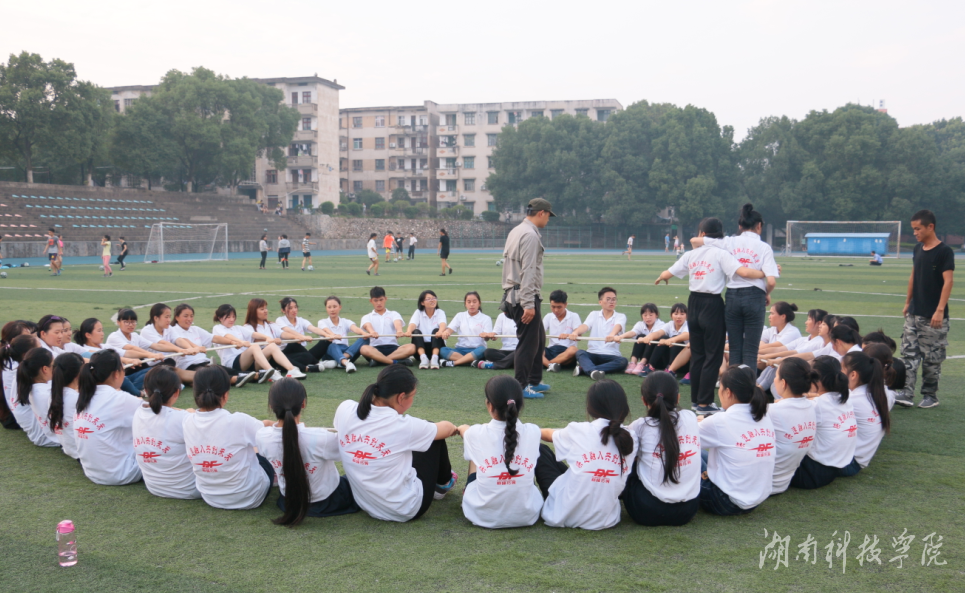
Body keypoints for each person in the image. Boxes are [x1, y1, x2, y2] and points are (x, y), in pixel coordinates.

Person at [656, 217, 766, 414]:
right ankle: (705, 403)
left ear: (702, 234)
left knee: (697, 355)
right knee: (713, 356)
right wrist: (764, 273)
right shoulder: (721, 254)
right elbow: (743, 272)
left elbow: (668, 273)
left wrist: (662, 278)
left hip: (693, 303)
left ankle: (696, 400)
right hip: (712, 304)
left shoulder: (691, 254)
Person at [334, 366, 459, 522]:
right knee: (433, 435)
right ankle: (443, 484)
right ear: (401, 398)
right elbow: (446, 428)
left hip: (366, 504)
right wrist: (458, 429)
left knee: (421, 436)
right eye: (413, 395)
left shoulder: (345, 408)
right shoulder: (402, 426)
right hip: (407, 507)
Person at [257, 378, 360, 526]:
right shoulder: (321, 438)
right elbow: (348, 452)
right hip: (327, 502)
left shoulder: (262, 437)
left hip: (288, 501)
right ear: (303, 404)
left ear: (271, 406)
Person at [536, 380, 637, 530]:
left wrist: (529, 430)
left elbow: (548, 434)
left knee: (541, 450)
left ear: (590, 407)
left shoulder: (578, 430)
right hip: (606, 520)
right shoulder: (631, 437)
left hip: (563, 514)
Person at [691, 203, 779, 367]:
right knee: (751, 351)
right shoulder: (764, 247)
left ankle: (732, 382)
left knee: (735, 349)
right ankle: (748, 383)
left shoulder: (729, 242)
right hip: (755, 296)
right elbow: (772, 281)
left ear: (740, 226)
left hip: (732, 296)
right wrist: (766, 293)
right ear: (759, 226)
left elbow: (696, 241)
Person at [455, 375, 543, 529]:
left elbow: (467, 432)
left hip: (482, 515)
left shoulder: (475, 433)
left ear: (489, 405)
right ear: (520, 405)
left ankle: (467, 493)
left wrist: (462, 428)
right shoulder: (533, 431)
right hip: (527, 515)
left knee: (476, 452)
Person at [182, 366, 275, 510]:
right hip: (250, 496)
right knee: (260, 450)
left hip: (210, 497)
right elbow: (272, 437)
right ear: (225, 395)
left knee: (249, 446)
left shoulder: (187, 421)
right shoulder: (239, 421)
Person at [623, 371, 701, 526]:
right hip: (688, 510)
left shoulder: (640, 426)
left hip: (647, 510)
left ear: (644, 400)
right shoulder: (690, 417)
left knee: (631, 459)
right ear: (678, 398)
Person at [697, 365, 774, 515]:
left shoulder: (720, 421)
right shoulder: (763, 415)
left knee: (687, 454)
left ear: (728, 392)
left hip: (724, 500)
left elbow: (683, 440)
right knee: (702, 455)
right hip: (755, 499)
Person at [898, 209, 954, 409]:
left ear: (930, 227)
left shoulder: (944, 251)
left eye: (918, 228)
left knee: (932, 358)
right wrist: (908, 302)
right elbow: (913, 276)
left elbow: (948, 281)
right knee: (908, 354)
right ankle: (906, 393)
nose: (915, 233)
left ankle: (930, 395)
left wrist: (939, 310)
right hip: (914, 312)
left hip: (933, 316)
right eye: (913, 229)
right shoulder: (917, 249)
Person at [501, 198, 553, 398]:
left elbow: (508, 266)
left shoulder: (516, 231)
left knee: (538, 338)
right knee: (528, 343)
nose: (548, 219)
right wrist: (528, 304)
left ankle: (534, 380)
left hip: (514, 293)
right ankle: (521, 386)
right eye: (548, 215)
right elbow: (528, 270)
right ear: (541, 213)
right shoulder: (530, 235)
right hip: (525, 296)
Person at [74, 349, 143, 485]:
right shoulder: (120, 399)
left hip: (93, 472)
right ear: (116, 373)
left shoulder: (84, 396)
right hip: (122, 472)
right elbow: (157, 413)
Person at [132, 366, 202, 500]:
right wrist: (191, 414)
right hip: (190, 488)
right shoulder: (184, 419)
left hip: (154, 487)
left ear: (145, 389)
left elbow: (160, 410)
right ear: (177, 392)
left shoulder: (138, 412)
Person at [789, 356, 856, 489]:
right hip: (834, 468)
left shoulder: (817, 405)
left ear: (818, 380)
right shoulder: (845, 397)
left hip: (811, 473)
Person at [169, 303, 262, 386]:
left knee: (224, 370)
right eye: (186, 316)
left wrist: (232, 342)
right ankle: (236, 379)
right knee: (212, 374)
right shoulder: (173, 330)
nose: (189, 319)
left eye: (191, 316)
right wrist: (195, 347)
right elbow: (182, 340)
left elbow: (214, 338)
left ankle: (257, 375)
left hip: (204, 361)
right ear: (176, 317)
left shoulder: (195, 329)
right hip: (189, 366)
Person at [837, 351, 892, 477]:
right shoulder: (877, 392)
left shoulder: (854, 399)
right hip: (856, 461)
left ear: (853, 375)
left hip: (847, 463)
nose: (838, 373)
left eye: (842, 369)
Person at [767, 358, 816, 495]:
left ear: (783, 383)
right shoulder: (812, 406)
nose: (774, 379)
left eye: (776, 376)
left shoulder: (772, 411)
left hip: (761, 484)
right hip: (783, 483)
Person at [212, 304, 292, 382]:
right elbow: (227, 336)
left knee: (272, 346)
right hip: (232, 363)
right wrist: (241, 341)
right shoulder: (217, 328)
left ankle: (292, 369)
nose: (232, 319)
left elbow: (253, 334)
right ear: (220, 318)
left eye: (233, 316)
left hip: (248, 362)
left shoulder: (238, 328)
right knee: (254, 347)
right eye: (228, 317)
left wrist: (267, 338)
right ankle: (272, 372)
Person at [570, 287, 629, 380]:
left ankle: (585, 369)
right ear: (600, 302)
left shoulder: (621, 316)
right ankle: (593, 371)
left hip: (611, 355)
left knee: (623, 361)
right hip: (593, 353)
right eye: (608, 299)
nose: (612, 302)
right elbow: (585, 326)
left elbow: (618, 326)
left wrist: (612, 334)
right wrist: (576, 332)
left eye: (614, 299)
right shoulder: (594, 314)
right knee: (580, 352)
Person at [242, 298, 312, 374]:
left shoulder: (271, 324)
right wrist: (272, 340)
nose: (266, 311)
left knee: (304, 355)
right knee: (274, 352)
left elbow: (282, 334)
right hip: (259, 361)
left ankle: (313, 364)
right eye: (262, 309)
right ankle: (305, 368)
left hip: (276, 354)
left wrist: (296, 337)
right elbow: (254, 340)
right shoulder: (247, 327)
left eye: (266, 308)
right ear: (253, 311)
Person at [358, 286, 417, 366]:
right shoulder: (367, 317)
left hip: (393, 348)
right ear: (371, 301)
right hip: (375, 349)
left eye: (381, 300)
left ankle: (379, 360)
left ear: (385, 299)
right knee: (364, 349)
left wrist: (399, 331)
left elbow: (397, 323)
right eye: (375, 300)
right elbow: (367, 325)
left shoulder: (394, 314)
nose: (379, 303)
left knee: (412, 347)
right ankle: (395, 362)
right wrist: (372, 332)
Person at [16, 347, 60, 446]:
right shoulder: (46, 394)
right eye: (53, 365)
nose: (55, 368)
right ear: (45, 369)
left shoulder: (33, 386)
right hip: (54, 438)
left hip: (47, 434)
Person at [2, 334, 44, 437]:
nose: (43, 351)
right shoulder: (28, 375)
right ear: (27, 354)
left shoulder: (21, 370)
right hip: (41, 433)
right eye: (39, 348)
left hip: (35, 430)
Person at [276, 297, 333, 371]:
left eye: (295, 307)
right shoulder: (280, 320)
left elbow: (313, 328)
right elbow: (288, 330)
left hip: (303, 353)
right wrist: (302, 337)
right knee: (294, 343)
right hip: (287, 354)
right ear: (283, 310)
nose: (294, 310)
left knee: (326, 341)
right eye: (290, 308)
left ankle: (311, 362)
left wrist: (327, 335)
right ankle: (317, 362)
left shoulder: (301, 320)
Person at [439, 291, 491, 367]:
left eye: (474, 302)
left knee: (483, 350)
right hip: (460, 349)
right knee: (442, 350)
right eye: (469, 302)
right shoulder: (460, 315)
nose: (472, 304)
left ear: (479, 303)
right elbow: (450, 329)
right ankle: (471, 361)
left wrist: (486, 335)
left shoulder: (486, 318)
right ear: (465, 304)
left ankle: (454, 363)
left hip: (476, 349)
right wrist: (446, 332)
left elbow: (487, 337)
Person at [634, 303, 689, 376]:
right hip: (667, 359)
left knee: (675, 339)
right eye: (676, 314)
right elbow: (659, 333)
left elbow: (686, 335)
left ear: (687, 316)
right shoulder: (669, 324)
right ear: (671, 315)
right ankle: (651, 365)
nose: (678, 317)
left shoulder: (688, 325)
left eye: (682, 314)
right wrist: (648, 337)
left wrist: (672, 340)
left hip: (683, 362)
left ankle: (671, 369)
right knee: (662, 338)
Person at [48, 352, 84, 459]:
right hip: (83, 454)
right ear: (79, 374)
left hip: (70, 449)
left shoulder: (54, 394)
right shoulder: (76, 398)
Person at [316, 296, 365, 373]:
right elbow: (326, 330)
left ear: (340, 307)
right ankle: (347, 363)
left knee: (364, 339)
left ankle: (338, 361)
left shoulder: (345, 321)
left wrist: (365, 333)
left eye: (335, 306)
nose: (332, 309)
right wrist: (333, 335)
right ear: (326, 308)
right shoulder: (322, 322)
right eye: (329, 307)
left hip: (347, 351)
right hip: (330, 352)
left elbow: (355, 329)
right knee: (332, 345)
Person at [405, 290, 447, 370]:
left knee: (436, 330)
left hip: (437, 348)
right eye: (428, 299)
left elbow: (443, 324)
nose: (432, 300)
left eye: (434, 298)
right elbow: (413, 324)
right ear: (422, 303)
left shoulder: (440, 312)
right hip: (420, 349)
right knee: (416, 332)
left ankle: (434, 359)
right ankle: (423, 358)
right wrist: (409, 331)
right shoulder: (418, 312)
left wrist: (440, 331)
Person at [542, 290, 581, 372]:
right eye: (553, 307)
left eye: (559, 307)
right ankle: (551, 365)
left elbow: (579, 336)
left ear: (565, 304)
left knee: (574, 350)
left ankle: (547, 364)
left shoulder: (574, 316)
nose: (556, 310)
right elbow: (540, 333)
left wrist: (568, 335)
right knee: (535, 348)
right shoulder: (548, 316)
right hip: (551, 350)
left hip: (566, 352)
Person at [618, 303, 661, 375]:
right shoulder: (640, 324)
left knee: (650, 339)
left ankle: (642, 363)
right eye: (645, 315)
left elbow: (654, 335)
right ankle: (633, 363)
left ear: (657, 315)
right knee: (640, 335)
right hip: (645, 354)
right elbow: (632, 332)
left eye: (651, 315)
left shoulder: (660, 324)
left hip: (655, 357)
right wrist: (620, 336)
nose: (648, 318)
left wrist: (644, 338)